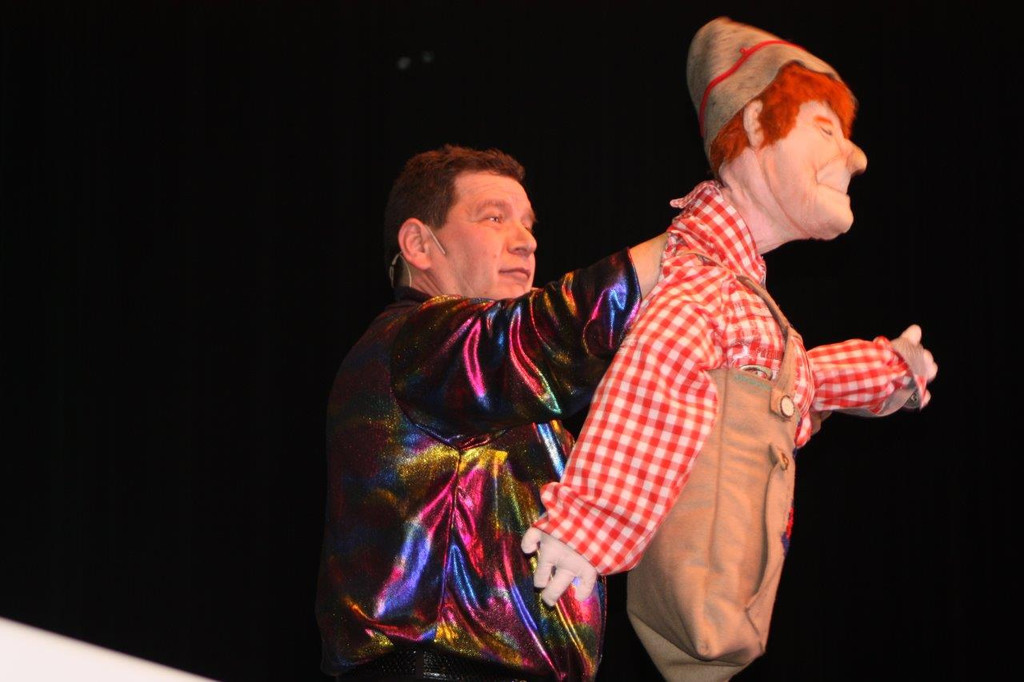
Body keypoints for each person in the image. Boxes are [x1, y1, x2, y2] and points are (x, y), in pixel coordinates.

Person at [521, 16, 938, 681]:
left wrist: (891, 371)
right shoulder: (705, 283)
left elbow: (797, 380)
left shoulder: (744, 298)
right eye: (825, 129)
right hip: (701, 594)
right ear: (754, 127)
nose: (854, 156)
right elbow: (653, 382)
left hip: (732, 597)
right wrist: (585, 529)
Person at [315, 144, 668, 681]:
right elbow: (550, 332)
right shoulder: (417, 341)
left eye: (528, 224)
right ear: (419, 245)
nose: (526, 241)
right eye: (494, 217)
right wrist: (684, 245)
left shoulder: (491, 389)